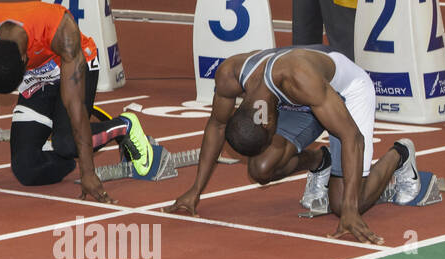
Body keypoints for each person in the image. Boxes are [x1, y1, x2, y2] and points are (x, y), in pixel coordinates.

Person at [167, 46, 421, 245]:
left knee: (342, 204)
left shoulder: (298, 78)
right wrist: (195, 190)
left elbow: (352, 137)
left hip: (345, 92)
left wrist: (351, 211)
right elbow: (217, 125)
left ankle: (400, 154)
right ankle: (320, 162)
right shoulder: (230, 75)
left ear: (267, 123)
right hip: (298, 100)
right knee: (261, 168)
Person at [0, 1, 152, 200]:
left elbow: (73, 104)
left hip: (73, 64)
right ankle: (65, 150)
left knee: (67, 143)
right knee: (26, 168)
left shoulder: (60, 29)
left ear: (25, 60)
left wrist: (87, 173)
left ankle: (124, 125)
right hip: (37, 77)